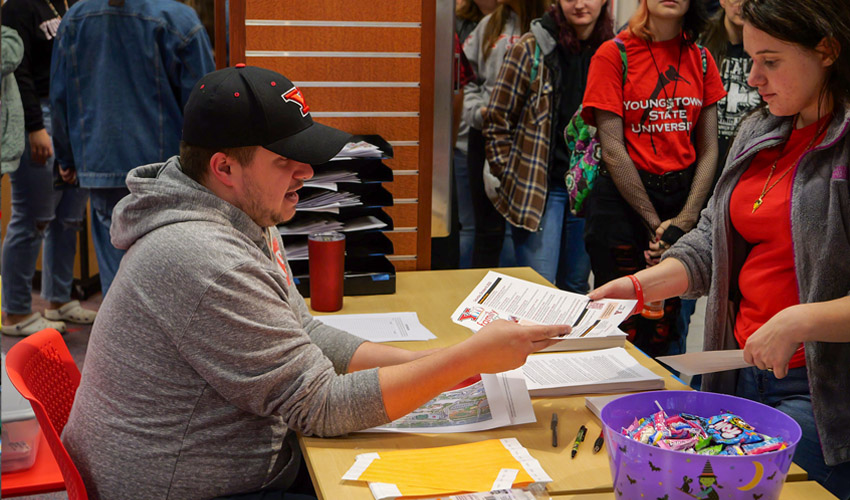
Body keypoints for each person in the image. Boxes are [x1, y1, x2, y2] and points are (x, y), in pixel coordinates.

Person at [62, 65, 567, 499]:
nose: (307, 171)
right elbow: (321, 405)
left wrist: (430, 365)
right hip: (189, 488)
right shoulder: (205, 259)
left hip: (223, 467)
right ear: (224, 168)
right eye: (285, 160)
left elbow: (305, 332)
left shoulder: (244, 214)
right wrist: (469, 358)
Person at [589, 0, 850, 495]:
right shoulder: (762, 128)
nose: (753, 79)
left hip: (819, 394)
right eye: (751, 60)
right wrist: (637, 287)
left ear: (828, 51)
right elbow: (713, 240)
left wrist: (800, 321)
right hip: (737, 371)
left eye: (770, 62)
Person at [580, 0, 725, 356]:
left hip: (681, 200)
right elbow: (612, 147)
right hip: (622, 201)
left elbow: (708, 148)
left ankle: (663, 407)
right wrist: (654, 224)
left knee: (669, 322)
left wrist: (686, 219)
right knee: (619, 317)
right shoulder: (613, 54)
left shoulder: (702, 59)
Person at [49, 0, 215, 296]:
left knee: (117, 283)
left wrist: (67, 157)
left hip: (100, 163)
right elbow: (204, 107)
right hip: (165, 172)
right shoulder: (178, 20)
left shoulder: (75, 18)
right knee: (172, 277)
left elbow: (61, 97)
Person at [483, 0, 613, 293]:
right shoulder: (531, 47)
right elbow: (497, 118)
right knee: (538, 286)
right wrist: (509, 175)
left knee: (577, 285)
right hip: (542, 188)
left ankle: (569, 341)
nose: (580, 4)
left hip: (587, 188)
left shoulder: (613, 50)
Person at [672, 0, 761, 380]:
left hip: (754, 185)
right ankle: (680, 383)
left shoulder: (769, 39)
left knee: (739, 292)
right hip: (701, 184)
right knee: (685, 300)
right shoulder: (700, 42)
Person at [1, 0, 95, 337]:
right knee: (33, 218)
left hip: (72, 117)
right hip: (38, 118)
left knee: (69, 218)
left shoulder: (69, 3)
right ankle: (16, 311)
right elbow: (17, 72)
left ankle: (59, 299)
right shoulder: (18, 7)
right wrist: (34, 127)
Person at [462, 0, 550, 269]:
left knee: (522, 232)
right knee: (486, 231)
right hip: (487, 133)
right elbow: (466, 81)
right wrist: (479, 112)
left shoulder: (549, 26)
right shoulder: (488, 25)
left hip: (532, 142)